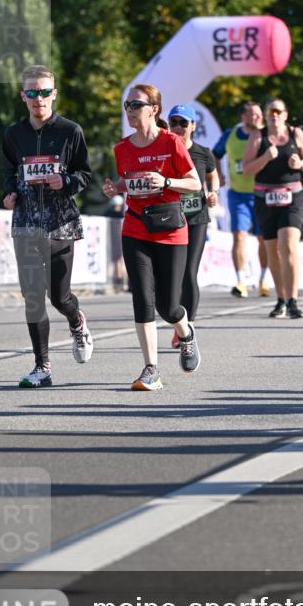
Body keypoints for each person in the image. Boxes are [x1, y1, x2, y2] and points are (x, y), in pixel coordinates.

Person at [103, 84, 202, 390]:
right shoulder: (122, 148)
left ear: (154, 109)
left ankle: (185, 333)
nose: (130, 109)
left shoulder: (172, 143)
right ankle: (151, 369)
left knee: (168, 306)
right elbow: (129, 181)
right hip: (135, 228)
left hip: (171, 230)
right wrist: (117, 188)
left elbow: (195, 183)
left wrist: (166, 180)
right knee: (143, 299)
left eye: (136, 104)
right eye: (127, 105)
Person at [2, 67, 94, 387]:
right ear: (23, 96)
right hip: (26, 223)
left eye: (43, 92)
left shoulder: (70, 131)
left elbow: (85, 173)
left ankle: (76, 320)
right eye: (31, 93)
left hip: (61, 224)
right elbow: (9, 171)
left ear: (54, 94)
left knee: (59, 296)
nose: (38, 99)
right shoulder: (14, 134)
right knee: (32, 297)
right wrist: (9, 193)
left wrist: (65, 181)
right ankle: (42, 367)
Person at [243, 98, 303, 318]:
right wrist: (265, 157)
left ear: (285, 115)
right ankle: (281, 299)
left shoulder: (295, 134)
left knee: (289, 246)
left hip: (292, 197)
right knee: (272, 250)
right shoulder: (258, 136)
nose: (274, 114)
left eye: (278, 111)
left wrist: (301, 164)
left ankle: (293, 300)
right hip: (265, 198)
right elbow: (246, 169)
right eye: (270, 111)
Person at [167, 103, 219, 348]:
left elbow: (212, 173)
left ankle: (187, 327)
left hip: (196, 218)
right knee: (171, 274)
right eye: (173, 122)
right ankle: (180, 321)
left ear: (193, 126)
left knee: (188, 272)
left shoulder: (202, 152)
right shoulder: (165, 150)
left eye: (183, 123)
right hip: (170, 218)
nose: (178, 128)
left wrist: (213, 192)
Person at [213, 101, 270, 298]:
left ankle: (263, 278)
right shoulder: (230, 135)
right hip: (238, 194)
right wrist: (219, 174)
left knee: (264, 239)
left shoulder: (266, 135)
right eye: (253, 114)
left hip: (262, 194)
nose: (258, 117)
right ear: (243, 117)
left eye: (259, 114)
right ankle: (241, 280)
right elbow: (215, 154)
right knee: (239, 236)